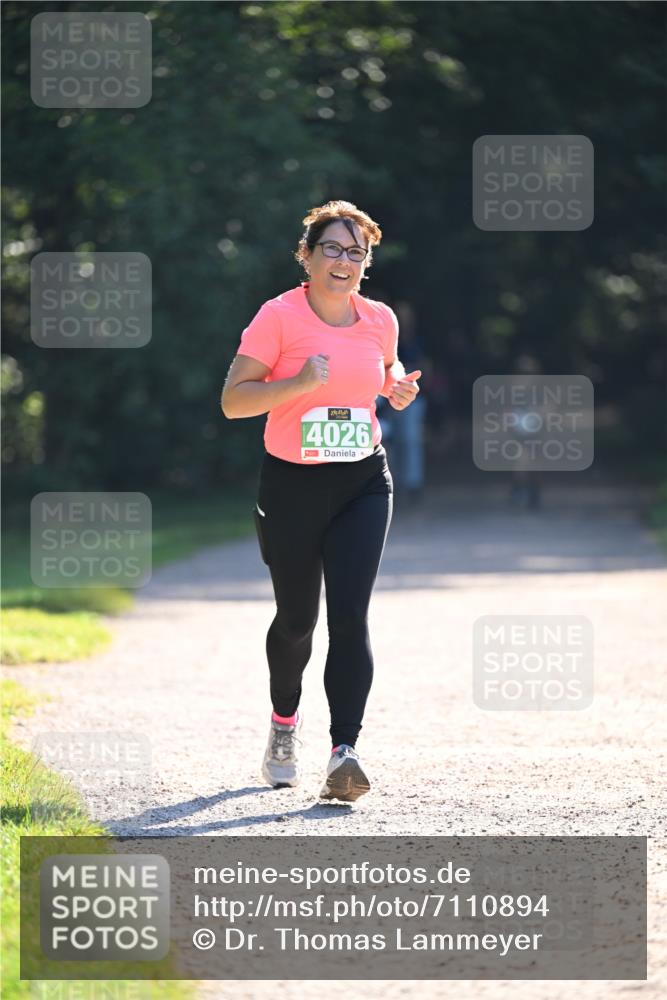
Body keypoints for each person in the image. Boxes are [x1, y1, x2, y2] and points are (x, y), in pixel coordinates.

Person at [221, 200, 421, 802]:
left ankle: (344, 752)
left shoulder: (379, 318)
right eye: (332, 248)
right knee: (296, 621)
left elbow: (386, 369)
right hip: (292, 485)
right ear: (306, 256)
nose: (345, 260)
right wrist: (299, 384)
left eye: (357, 252)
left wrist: (396, 386)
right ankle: (284, 724)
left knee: (350, 617)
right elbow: (234, 401)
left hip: (363, 482)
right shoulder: (278, 317)